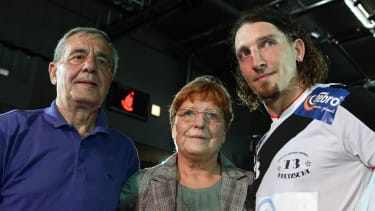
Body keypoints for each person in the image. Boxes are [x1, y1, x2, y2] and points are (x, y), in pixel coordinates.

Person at [231, 7, 375, 210]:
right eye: (244, 53)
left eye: (268, 43)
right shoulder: (263, 145)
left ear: (298, 50)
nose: (257, 62)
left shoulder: (343, 104)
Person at [0, 27, 140, 210]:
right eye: (78, 57)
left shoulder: (124, 151)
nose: (90, 66)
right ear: (53, 72)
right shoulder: (9, 129)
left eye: (102, 61)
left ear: (108, 82)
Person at [120, 75, 255, 210]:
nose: (200, 123)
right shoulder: (138, 186)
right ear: (173, 127)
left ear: (224, 132)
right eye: (189, 113)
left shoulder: (252, 187)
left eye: (212, 115)